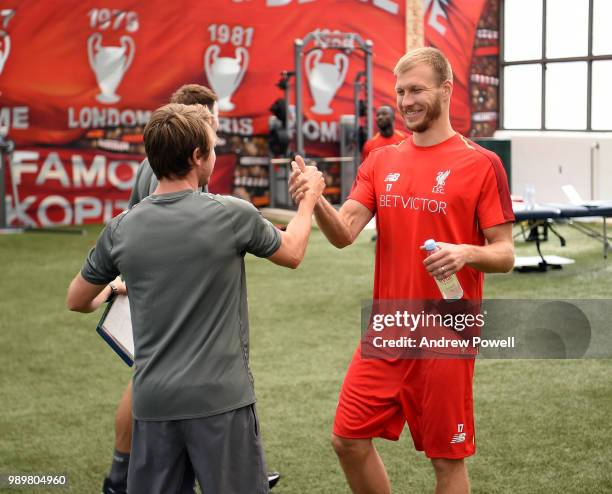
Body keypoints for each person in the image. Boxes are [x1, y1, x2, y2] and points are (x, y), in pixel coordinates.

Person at [67, 103, 324, 494]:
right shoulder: (231, 213)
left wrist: (118, 287)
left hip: (153, 404)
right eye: (212, 147)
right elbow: (293, 252)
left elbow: (77, 300)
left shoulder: (121, 229)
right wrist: (308, 201)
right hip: (221, 401)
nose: (215, 154)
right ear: (197, 157)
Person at [289, 47, 515, 493]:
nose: (406, 100)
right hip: (388, 330)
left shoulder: (481, 163)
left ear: (446, 90)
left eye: (417, 90)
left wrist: (466, 253)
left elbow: (505, 252)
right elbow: (344, 232)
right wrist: (315, 200)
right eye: (400, 92)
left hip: (446, 334)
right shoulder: (381, 161)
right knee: (348, 440)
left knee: (446, 461)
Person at [103, 84, 280, 494]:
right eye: (212, 122)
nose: (215, 130)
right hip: (167, 299)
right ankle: (121, 476)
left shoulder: (164, 162)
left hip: (154, 297)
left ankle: (123, 476)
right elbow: (166, 234)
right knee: (155, 376)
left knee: (149, 377)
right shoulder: (179, 174)